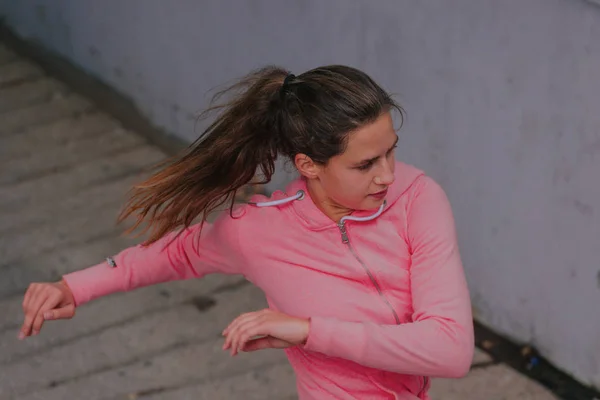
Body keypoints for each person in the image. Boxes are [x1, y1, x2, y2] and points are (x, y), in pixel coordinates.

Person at [18, 65, 474, 399]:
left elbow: (451, 350)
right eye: (365, 164)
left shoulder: (417, 198)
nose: (387, 176)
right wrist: (74, 287)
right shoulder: (259, 230)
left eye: (391, 152)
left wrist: (307, 331)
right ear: (307, 165)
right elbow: (174, 254)